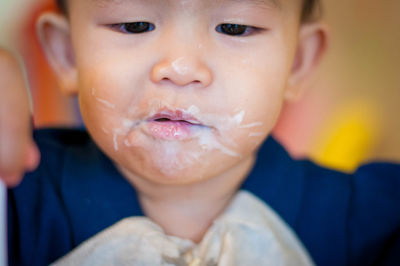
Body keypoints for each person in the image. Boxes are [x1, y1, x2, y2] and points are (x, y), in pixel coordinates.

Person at [1, 0, 399, 265]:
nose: (180, 67)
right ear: (67, 53)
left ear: (297, 61)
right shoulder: (18, 201)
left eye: (234, 27)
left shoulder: (366, 220)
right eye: (135, 24)